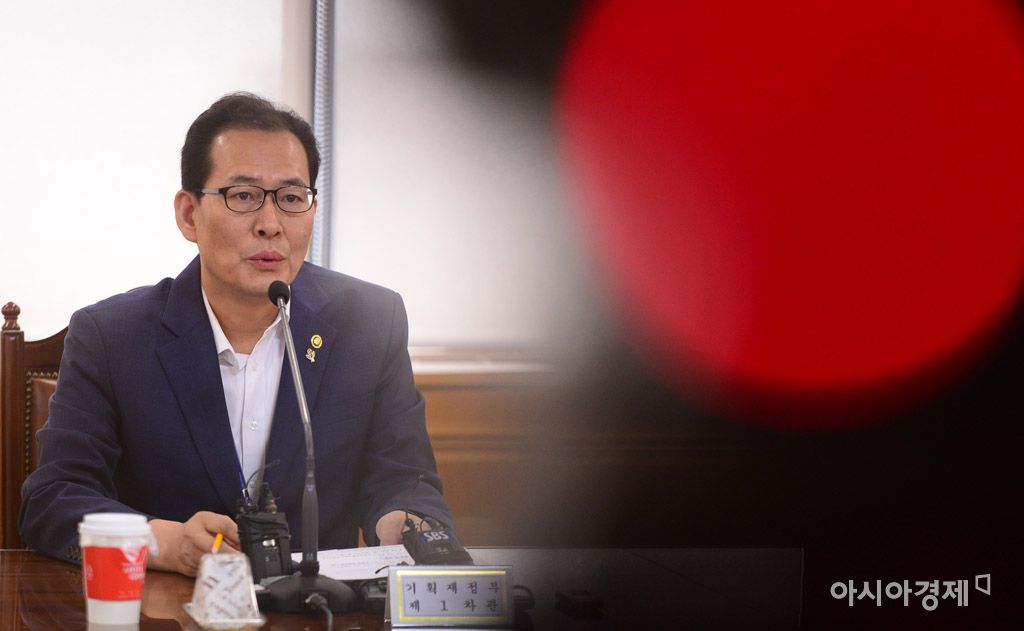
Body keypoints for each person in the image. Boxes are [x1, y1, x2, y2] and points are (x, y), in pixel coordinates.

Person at [19, 93, 452, 576]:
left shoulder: (368, 322)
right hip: (167, 605)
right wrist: (166, 543)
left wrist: (405, 525)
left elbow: (404, 479)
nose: (270, 225)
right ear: (189, 214)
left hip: (316, 606)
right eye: (243, 196)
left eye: (291, 198)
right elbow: (54, 499)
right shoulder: (112, 336)